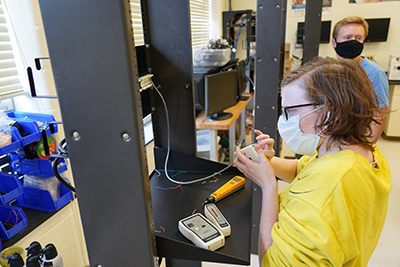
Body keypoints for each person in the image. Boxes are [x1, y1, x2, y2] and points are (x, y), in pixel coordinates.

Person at [235, 57, 391, 266]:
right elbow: (303, 169)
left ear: (331, 112)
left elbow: (270, 261)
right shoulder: (359, 152)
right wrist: (268, 162)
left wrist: (268, 185)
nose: (284, 120)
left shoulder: (328, 187)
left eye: (290, 111)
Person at [332, 16, 389, 143]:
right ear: (334, 42)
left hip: (356, 140)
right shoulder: (331, 70)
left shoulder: (374, 73)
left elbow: (380, 114)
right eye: (347, 37)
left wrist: (366, 146)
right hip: (333, 137)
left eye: (358, 38)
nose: (353, 42)